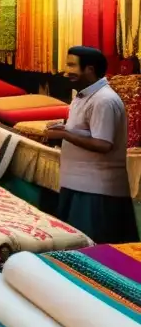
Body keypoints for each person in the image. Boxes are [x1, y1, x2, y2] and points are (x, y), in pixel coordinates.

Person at [47, 46, 138, 243]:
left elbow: (103, 144)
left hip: (96, 191)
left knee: (93, 251)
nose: (66, 70)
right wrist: (63, 130)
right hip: (79, 185)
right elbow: (86, 131)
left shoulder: (104, 100)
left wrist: (65, 134)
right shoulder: (82, 97)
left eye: (72, 65)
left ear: (89, 69)